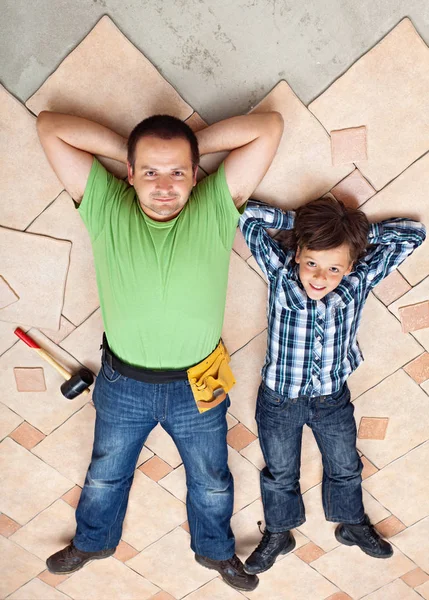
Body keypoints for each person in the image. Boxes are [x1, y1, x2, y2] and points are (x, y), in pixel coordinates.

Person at [36, 108, 283, 591]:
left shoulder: (213, 205)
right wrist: (140, 152)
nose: (164, 185)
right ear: (129, 174)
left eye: (177, 172)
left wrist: (187, 150)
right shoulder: (107, 205)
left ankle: (215, 551)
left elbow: (268, 126)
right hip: (123, 383)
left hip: (200, 382)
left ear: (195, 174)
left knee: (212, 479)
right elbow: (50, 126)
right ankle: (94, 540)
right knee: (105, 473)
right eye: (149, 171)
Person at [239, 197, 426, 574]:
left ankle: (351, 524)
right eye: (311, 262)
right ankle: (279, 532)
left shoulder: (358, 281)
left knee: (345, 466)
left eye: (333, 267)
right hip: (279, 399)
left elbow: (414, 234)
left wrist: (351, 232)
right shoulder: (280, 273)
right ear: (296, 256)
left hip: (331, 399)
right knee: (279, 472)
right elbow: (245, 215)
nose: (319, 277)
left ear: (350, 267)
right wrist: (304, 224)